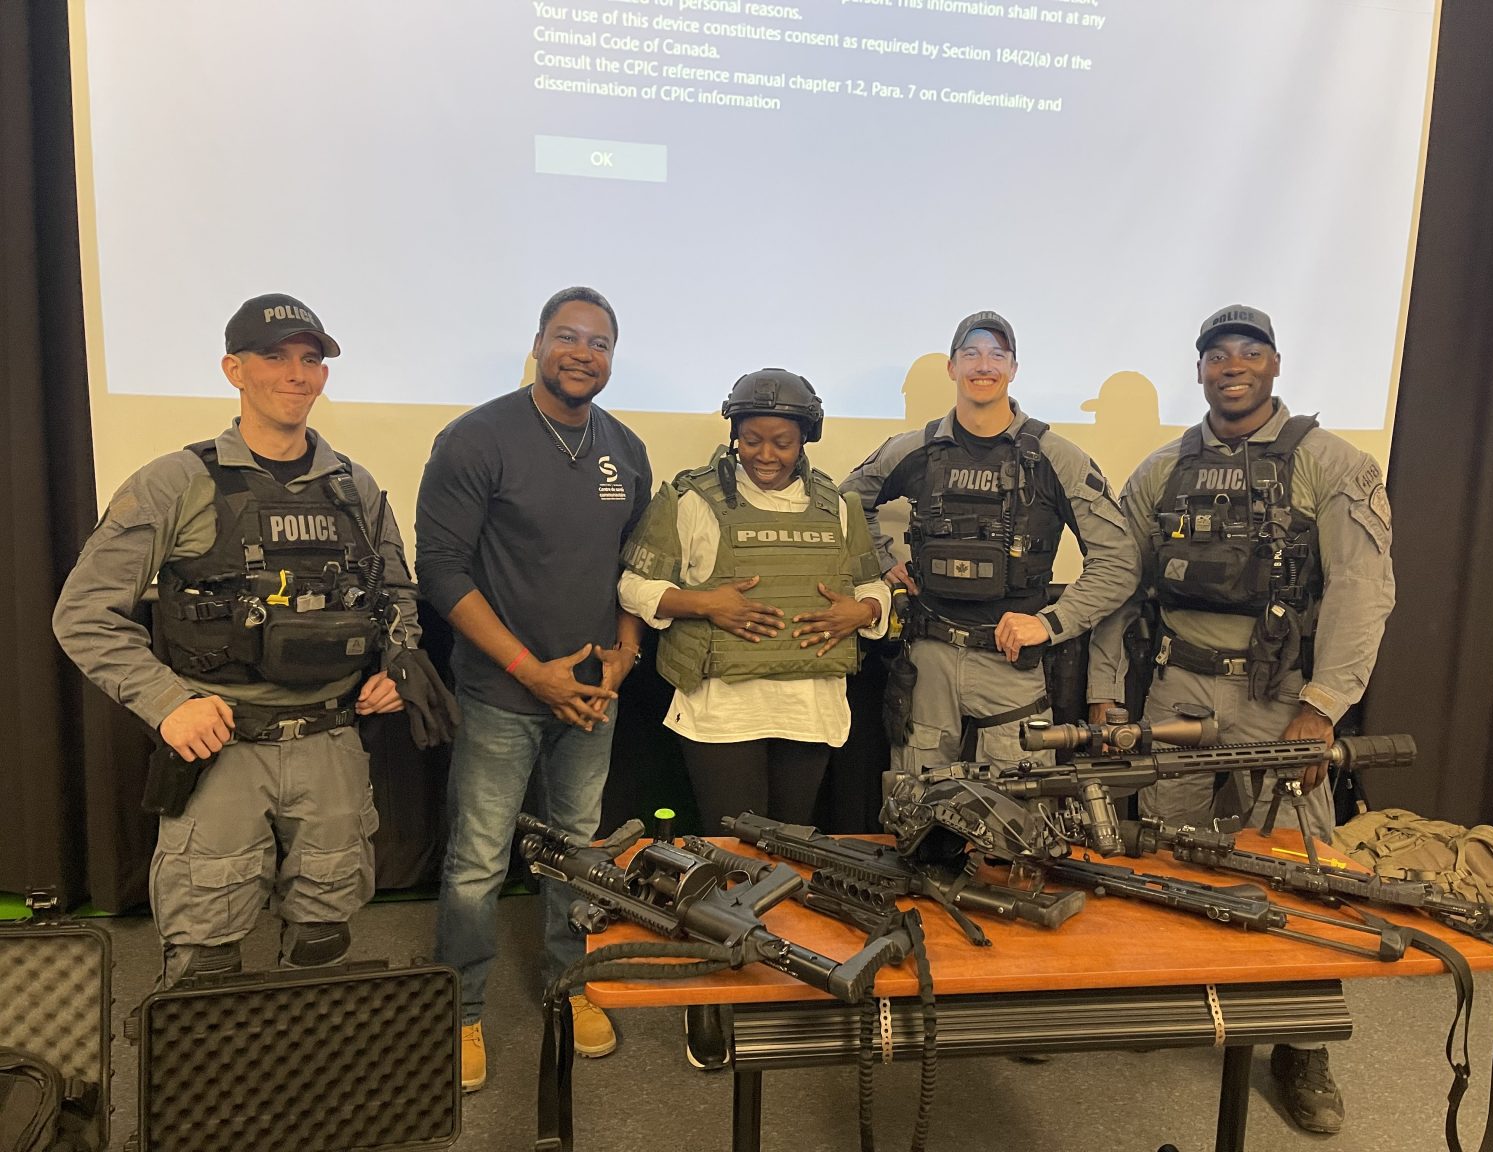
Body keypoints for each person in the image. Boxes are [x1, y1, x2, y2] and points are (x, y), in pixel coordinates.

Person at [53, 293, 448, 989]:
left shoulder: (355, 487)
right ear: (234, 370)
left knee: (325, 939)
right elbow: (83, 613)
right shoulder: (176, 483)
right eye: (275, 356)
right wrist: (168, 704)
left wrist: (398, 662)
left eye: (310, 359)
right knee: (206, 955)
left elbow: (394, 594)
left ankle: (301, 1054)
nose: (296, 373)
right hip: (223, 745)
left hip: (331, 743)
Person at [1087, 304, 1395, 1135]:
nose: (1233, 366)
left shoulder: (1332, 463)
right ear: (1199, 371)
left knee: (1299, 865)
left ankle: (1303, 1042)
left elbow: (1362, 593)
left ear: (1275, 365)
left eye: (1249, 352)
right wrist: (1105, 692)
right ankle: (1173, 993)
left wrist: (1321, 709)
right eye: (1217, 354)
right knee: (1164, 849)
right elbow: (1119, 585)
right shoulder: (1161, 472)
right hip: (1177, 689)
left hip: (1280, 697)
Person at [416, 286, 652, 1089]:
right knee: (478, 863)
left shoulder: (625, 448)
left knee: (579, 855)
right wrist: (529, 671)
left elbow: (637, 568)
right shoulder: (477, 438)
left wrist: (626, 652)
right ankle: (461, 1011)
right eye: (568, 337)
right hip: (503, 695)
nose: (583, 353)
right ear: (538, 344)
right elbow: (441, 570)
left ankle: (569, 986)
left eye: (600, 343)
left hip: (591, 699)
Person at [840, 310, 1139, 774]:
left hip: (1012, 664)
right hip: (928, 660)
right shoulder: (916, 450)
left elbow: (1119, 562)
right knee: (917, 803)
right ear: (952, 367)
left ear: (1013, 369)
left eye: (997, 355)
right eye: (971, 354)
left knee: (1020, 810)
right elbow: (846, 502)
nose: (984, 365)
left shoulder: (1055, 457)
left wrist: (1050, 623)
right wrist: (881, 562)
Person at [618, 368, 890, 830]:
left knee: (790, 847)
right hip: (722, 713)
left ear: (804, 440)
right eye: (751, 440)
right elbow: (633, 587)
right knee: (731, 850)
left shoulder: (838, 505)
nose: (765, 455)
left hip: (810, 709)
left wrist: (863, 612)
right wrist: (706, 604)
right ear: (735, 436)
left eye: (781, 443)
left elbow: (872, 587)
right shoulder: (691, 500)